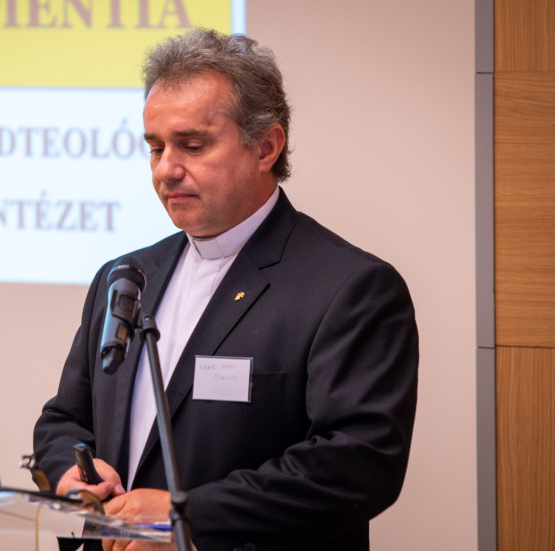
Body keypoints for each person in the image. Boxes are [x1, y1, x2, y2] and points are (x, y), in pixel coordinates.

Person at [33, 28, 418, 551]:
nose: (166, 170)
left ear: (266, 147)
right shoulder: (125, 276)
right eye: (155, 148)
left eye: (192, 146)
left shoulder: (351, 289)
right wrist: (70, 471)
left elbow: (356, 466)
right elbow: (65, 419)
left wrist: (185, 517)